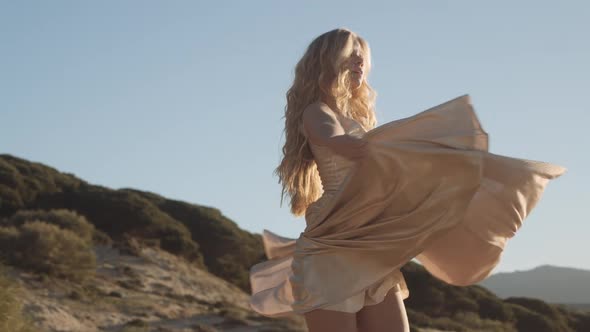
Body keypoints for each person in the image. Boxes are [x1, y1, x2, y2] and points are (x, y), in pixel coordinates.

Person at [249, 28, 566, 332]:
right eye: (351, 55)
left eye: (363, 57)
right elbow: (331, 138)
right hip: (333, 246)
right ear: (327, 60)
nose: (360, 62)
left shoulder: (357, 119)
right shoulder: (316, 112)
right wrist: (354, 146)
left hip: (372, 244)